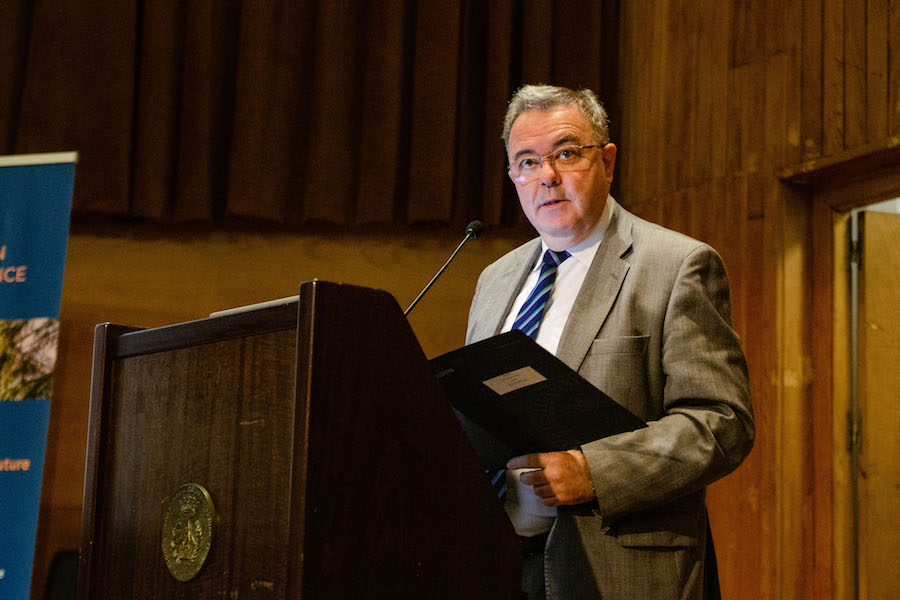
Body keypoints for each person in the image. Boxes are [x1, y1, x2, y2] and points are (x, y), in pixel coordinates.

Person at [466, 84, 755, 600]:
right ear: (513, 176)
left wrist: (595, 472)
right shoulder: (495, 279)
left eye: (566, 153)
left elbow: (721, 424)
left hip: (619, 572)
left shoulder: (677, 266)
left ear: (607, 160)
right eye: (527, 162)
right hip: (499, 563)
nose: (547, 176)